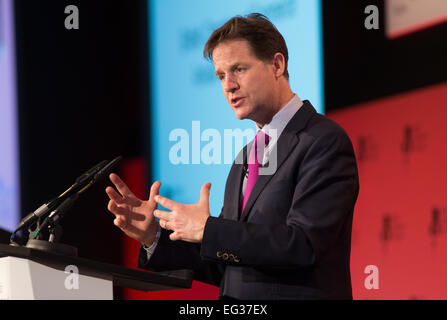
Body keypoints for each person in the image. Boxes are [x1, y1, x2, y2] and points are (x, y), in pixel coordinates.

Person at [106, 13, 359, 300]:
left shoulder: (322, 140)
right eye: (221, 75)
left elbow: (304, 245)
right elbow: (228, 264)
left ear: (277, 64)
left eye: (239, 69)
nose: (228, 85)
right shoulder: (244, 157)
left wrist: (209, 229)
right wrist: (154, 236)